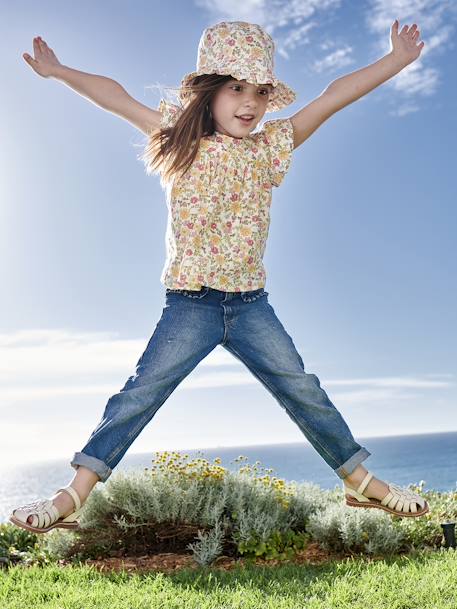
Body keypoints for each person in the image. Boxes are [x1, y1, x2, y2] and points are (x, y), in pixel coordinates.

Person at [11, 20, 428, 533]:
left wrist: (396, 61)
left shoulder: (270, 146)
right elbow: (114, 95)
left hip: (251, 306)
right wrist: (57, 72)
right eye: (235, 88)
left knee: (302, 387)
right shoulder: (177, 138)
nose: (249, 103)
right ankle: (72, 496)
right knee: (140, 394)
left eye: (259, 91)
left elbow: (332, 96)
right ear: (209, 90)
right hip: (191, 303)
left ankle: (359, 483)